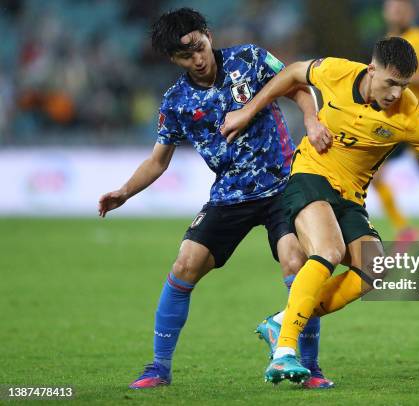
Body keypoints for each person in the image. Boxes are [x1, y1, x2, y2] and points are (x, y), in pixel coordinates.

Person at [97, 8, 334, 389]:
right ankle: (158, 367)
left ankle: (310, 366)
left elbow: (299, 88)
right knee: (185, 264)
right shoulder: (176, 101)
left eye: (199, 47)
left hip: (283, 185)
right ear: (173, 60)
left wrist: (310, 119)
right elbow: (158, 161)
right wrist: (125, 191)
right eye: (185, 55)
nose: (197, 58)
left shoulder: (249, 59)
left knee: (297, 260)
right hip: (230, 194)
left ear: (207, 34)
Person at [221, 37, 419, 384]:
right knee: (329, 250)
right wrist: (250, 111)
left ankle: (281, 321)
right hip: (310, 175)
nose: (396, 94)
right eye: (390, 83)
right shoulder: (337, 72)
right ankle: (284, 353)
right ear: (372, 70)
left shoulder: (410, 113)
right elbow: (293, 73)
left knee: (374, 269)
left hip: (351, 197)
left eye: (404, 86)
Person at [372, 0, 419, 241]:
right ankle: (405, 230)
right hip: (393, 119)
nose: (395, 11)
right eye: (392, 6)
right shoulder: (384, 43)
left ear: (409, 11)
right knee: (374, 175)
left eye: (400, 7)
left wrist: (400, 77)